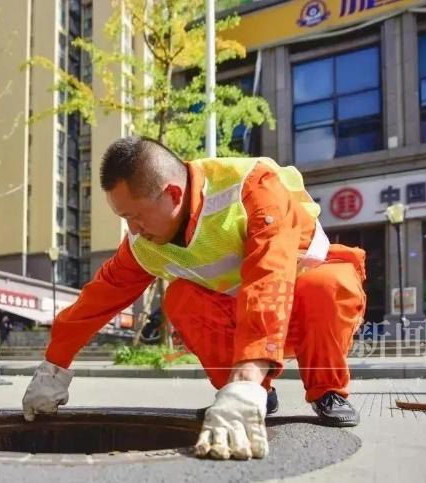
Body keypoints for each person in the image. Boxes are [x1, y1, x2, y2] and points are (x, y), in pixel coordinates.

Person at [22, 136, 366, 460]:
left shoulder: (253, 187)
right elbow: (98, 299)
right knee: (181, 298)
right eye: (126, 220)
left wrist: (246, 379)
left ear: (172, 193)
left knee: (326, 287)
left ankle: (326, 391)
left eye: (136, 216)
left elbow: (269, 279)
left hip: (300, 302)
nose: (135, 230)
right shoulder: (144, 242)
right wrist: (54, 365)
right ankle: (251, 393)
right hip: (244, 318)